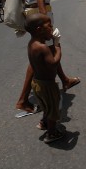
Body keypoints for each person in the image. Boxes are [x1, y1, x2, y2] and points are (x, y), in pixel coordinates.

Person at [25, 13, 65, 143]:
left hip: (36, 83)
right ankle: (51, 133)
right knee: (53, 108)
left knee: (45, 106)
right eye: (50, 26)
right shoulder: (42, 47)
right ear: (39, 30)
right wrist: (57, 46)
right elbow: (53, 63)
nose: (52, 29)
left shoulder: (32, 44)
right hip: (47, 85)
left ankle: (44, 123)